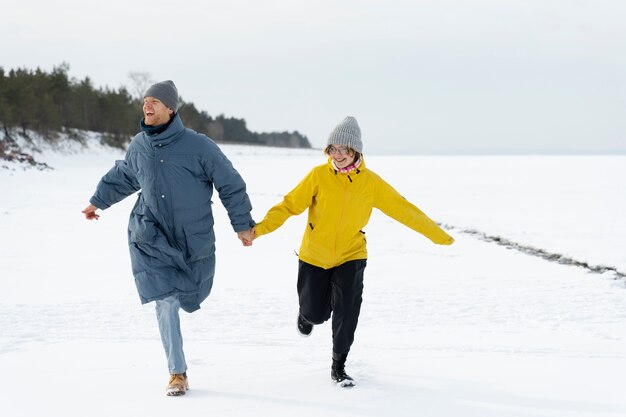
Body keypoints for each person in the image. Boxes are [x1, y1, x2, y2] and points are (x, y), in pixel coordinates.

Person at [251, 116, 454, 387]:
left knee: (348, 309)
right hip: (315, 254)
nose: (338, 155)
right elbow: (289, 206)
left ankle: (339, 365)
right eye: (333, 149)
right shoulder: (318, 176)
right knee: (316, 314)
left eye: (343, 149)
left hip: (351, 253)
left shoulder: (371, 183)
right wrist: (259, 229)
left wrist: (438, 236)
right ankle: (307, 313)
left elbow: (402, 209)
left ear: (356, 151)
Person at [82, 80, 255, 396]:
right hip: (151, 237)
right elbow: (123, 176)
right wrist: (97, 201)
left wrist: (242, 225)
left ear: (170, 108)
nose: (147, 106)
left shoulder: (199, 146)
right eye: (145, 101)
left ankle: (178, 365)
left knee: (192, 294)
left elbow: (230, 183)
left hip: (192, 240)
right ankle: (177, 373)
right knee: (166, 300)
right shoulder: (139, 145)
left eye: (154, 102)